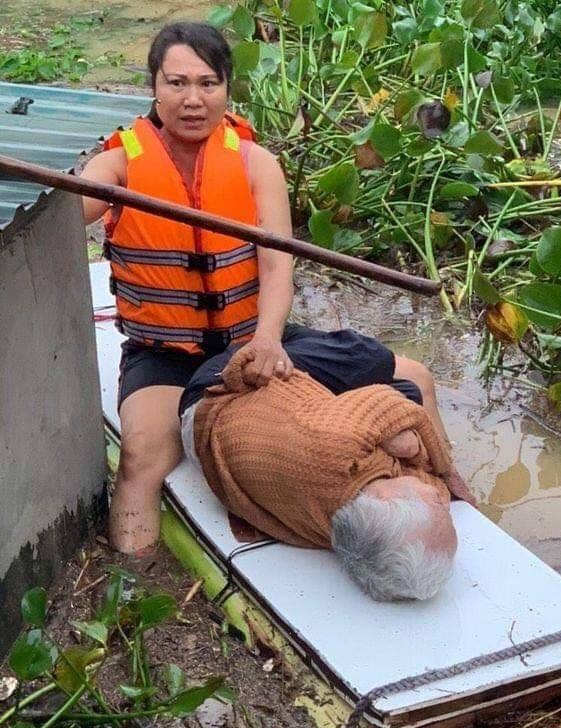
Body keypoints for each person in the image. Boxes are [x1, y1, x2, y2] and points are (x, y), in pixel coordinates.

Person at [81, 21, 452, 557]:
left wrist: (268, 339)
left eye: (208, 84)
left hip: (255, 338)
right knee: (141, 457)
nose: (192, 99)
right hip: (167, 355)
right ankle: (133, 583)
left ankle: (455, 497)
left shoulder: (257, 163)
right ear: (154, 87)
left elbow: (277, 268)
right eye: (177, 83)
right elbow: (65, 218)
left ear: (228, 88)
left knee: (416, 376)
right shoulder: (117, 163)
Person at [181, 347, 459, 601]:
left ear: (385, 500)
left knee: (372, 362)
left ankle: (294, 338)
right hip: (236, 438)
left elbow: (396, 408)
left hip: (217, 392)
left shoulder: (339, 446)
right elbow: (432, 481)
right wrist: (410, 454)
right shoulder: (351, 532)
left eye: (437, 506)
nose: (438, 496)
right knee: (402, 389)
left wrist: (411, 444)